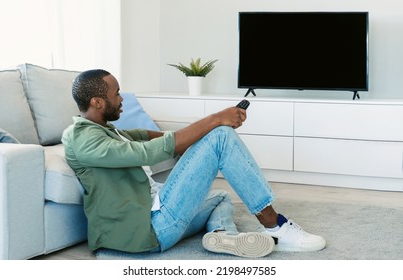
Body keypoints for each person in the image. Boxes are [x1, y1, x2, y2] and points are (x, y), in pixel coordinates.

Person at [61, 69, 326, 258]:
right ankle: (275, 226)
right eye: (117, 94)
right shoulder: (82, 137)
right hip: (145, 229)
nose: (121, 99)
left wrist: (203, 132)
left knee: (221, 197)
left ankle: (224, 235)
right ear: (97, 101)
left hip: (157, 213)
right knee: (220, 135)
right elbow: (148, 152)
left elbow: (158, 137)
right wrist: (214, 121)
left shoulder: (107, 130)